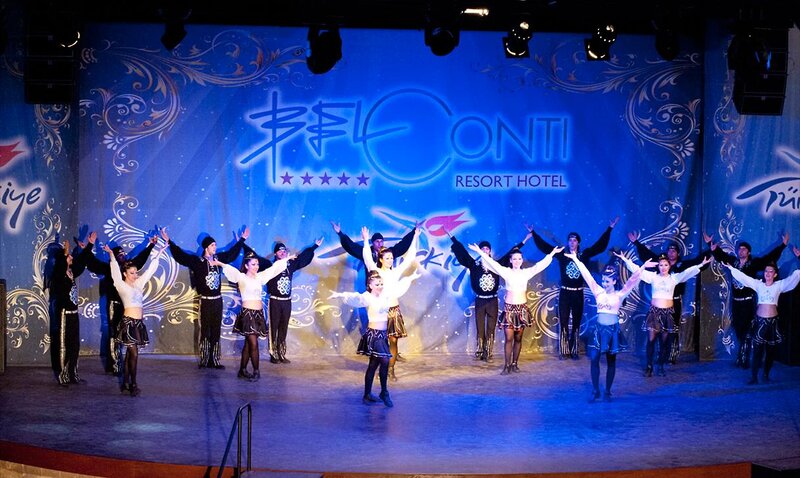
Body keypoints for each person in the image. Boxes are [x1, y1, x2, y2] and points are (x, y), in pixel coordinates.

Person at [529, 218, 618, 359]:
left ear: (578, 243)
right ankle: (564, 351)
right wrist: (533, 233)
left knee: (576, 322)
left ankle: (574, 350)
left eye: (574, 240)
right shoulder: (562, 254)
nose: (572, 242)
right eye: (570, 240)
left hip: (578, 293)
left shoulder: (584, 255)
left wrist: (610, 228)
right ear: (567, 242)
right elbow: (545, 247)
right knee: (564, 322)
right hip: (565, 293)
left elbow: (599, 246)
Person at [565, 252, 649, 401]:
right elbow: (587, 275)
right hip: (599, 330)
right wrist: (575, 259)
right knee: (594, 360)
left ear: (614, 281)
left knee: (611, 361)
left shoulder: (620, 295)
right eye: (603, 280)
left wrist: (642, 268)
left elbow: (633, 280)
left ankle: (608, 391)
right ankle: (595, 390)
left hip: (612, 331)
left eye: (608, 281)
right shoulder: (598, 291)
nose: (604, 283)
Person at [329, 269, 420, 408]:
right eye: (377, 284)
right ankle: (384, 392)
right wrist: (340, 295)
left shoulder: (385, 296)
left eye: (381, 284)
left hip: (383, 335)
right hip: (374, 335)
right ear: (370, 285)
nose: (380, 286)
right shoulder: (368, 297)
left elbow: (398, 288)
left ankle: (367, 394)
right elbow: (355, 297)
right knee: (385, 361)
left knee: (373, 365)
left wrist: (410, 278)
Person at [160, 227, 248, 369]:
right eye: (212, 245)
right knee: (205, 330)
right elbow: (181, 256)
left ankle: (215, 360)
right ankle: (205, 360)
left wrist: (242, 239)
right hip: (205, 301)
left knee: (216, 330)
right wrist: (169, 241)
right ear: (206, 247)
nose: (215, 247)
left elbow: (231, 254)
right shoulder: (198, 261)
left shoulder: (218, 259)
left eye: (215, 245)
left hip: (217, 300)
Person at [468, 242, 562, 375]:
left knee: (518, 339)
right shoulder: (506, 271)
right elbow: (492, 263)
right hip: (509, 310)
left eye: (519, 258)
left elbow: (540, 265)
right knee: (509, 338)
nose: (517, 261)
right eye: (514, 259)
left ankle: (514, 364)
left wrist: (552, 253)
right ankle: (506, 366)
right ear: (511, 261)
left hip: (521, 310)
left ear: (522, 260)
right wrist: (479, 251)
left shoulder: (526, 273)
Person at [615, 251, 711, 377]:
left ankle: (660, 366)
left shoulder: (674, 278)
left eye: (666, 265)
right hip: (654, 313)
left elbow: (688, 272)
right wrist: (625, 259)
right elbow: (637, 270)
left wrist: (701, 265)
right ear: (658, 266)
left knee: (664, 342)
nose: (663, 267)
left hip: (667, 313)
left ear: (669, 266)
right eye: (661, 265)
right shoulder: (653, 277)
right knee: (651, 340)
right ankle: (649, 366)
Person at [446, 228, 532, 362]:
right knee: (480, 326)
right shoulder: (474, 265)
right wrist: (451, 236)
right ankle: (479, 351)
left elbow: (511, 254)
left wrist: (525, 240)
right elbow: (462, 252)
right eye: (483, 249)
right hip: (480, 300)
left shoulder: (496, 265)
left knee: (491, 327)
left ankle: (488, 353)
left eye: (487, 249)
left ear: (490, 251)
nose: (485, 251)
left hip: (492, 301)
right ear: (479, 251)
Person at [705, 231, 788, 368]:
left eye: (744, 249)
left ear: (748, 252)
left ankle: (743, 358)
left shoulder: (754, 263)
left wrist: (783, 245)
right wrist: (710, 245)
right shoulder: (733, 262)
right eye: (740, 249)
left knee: (748, 330)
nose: (741, 251)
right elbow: (721, 256)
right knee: (738, 328)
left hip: (748, 302)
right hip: (736, 302)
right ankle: (743, 355)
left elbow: (769, 257)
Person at [628, 230, 712, 364]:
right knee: (654, 332)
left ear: (678, 253)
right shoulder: (659, 266)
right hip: (657, 305)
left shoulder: (681, 267)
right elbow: (647, 256)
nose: (671, 253)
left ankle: (670, 354)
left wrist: (709, 246)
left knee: (671, 330)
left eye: (674, 251)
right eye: (669, 250)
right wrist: (636, 243)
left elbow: (696, 265)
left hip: (674, 302)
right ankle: (655, 359)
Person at [722, 247, 800, 384]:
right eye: (766, 271)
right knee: (757, 350)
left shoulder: (780, 285)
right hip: (760, 322)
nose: (768, 273)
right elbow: (744, 278)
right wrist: (731, 268)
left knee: (770, 351)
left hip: (773, 323)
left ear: (775, 274)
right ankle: (754, 377)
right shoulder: (758, 285)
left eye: (771, 272)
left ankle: (766, 374)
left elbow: (796, 275)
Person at [83, 232, 157, 375]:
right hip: (114, 305)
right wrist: (88, 247)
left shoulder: (127, 269)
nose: (123, 255)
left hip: (126, 307)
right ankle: (115, 365)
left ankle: (126, 366)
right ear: (114, 256)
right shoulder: (109, 268)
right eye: (120, 254)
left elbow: (141, 259)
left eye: (124, 253)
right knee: (113, 334)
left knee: (126, 336)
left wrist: (151, 245)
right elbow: (92, 263)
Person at [243, 238, 323, 364]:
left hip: (287, 301)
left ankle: (281, 352)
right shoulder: (270, 265)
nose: (283, 252)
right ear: (275, 253)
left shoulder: (290, 264)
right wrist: (242, 243)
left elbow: (302, 258)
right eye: (280, 251)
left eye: (284, 250)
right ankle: (273, 353)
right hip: (275, 301)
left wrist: (314, 246)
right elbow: (256, 258)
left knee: (283, 327)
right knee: (274, 327)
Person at [213, 251, 291, 381]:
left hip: (258, 315)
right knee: (253, 344)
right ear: (246, 266)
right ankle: (256, 372)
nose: (256, 266)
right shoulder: (241, 277)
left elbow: (273, 270)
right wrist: (219, 263)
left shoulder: (259, 277)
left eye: (257, 264)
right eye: (253, 264)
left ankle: (242, 370)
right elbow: (229, 269)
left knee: (248, 345)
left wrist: (286, 259)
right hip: (248, 315)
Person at [104, 241, 167, 396]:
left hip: (138, 324)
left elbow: (150, 270)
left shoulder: (138, 284)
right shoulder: (121, 286)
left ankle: (125, 383)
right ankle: (133, 384)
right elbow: (115, 273)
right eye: (132, 273)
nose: (135, 275)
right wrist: (112, 255)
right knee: (134, 354)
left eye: (136, 272)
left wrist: (159, 253)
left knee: (129, 355)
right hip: (128, 324)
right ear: (125, 274)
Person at [361, 226, 419, 380]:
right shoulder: (376, 271)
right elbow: (367, 258)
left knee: (393, 341)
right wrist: (366, 241)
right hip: (381, 312)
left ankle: (390, 370)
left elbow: (409, 258)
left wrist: (415, 237)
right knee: (380, 343)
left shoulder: (395, 272)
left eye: (392, 258)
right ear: (381, 259)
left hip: (394, 310)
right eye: (387, 258)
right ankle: (379, 369)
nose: (390, 260)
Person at [47, 238, 92, 386]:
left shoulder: (71, 272)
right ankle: (63, 375)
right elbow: (60, 267)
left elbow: (82, 263)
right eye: (69, 256)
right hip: (64, 314)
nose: (71, 257)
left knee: (74, 345)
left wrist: (90, 245)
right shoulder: (58, 274)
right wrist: (65, 252)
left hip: (73, 314)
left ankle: (73, 374)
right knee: (63, 345)